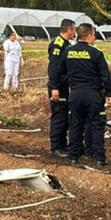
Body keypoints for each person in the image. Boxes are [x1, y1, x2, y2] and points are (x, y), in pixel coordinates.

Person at [64, 23, 111, 167]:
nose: (94, 38)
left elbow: (61, 71)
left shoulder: (68, 52)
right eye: (94, 35)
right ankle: (99, 158)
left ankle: (73, 156)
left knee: (75, 125)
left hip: (75, 94)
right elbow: (105, 75)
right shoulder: (96, 53)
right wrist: (108, 93)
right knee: (97, 125)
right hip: (93, 95)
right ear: (89, 35)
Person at [46, 18, 75, 157]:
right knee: (59, 116)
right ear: (69, 30)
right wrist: (54, 87)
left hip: (65, 85)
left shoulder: (66, 44)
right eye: (74, 30)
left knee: (64, 116)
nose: (75, 32)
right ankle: (56, 147)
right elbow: (53, 68)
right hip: (58, 86)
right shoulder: (58, 45)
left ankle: (63, 145)